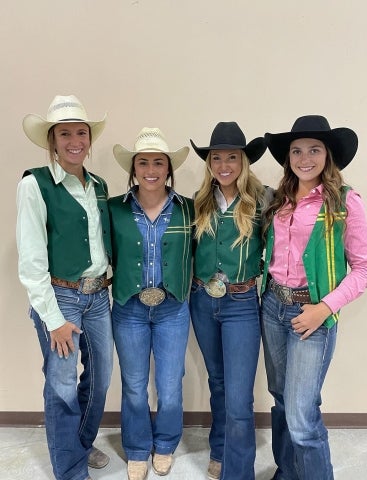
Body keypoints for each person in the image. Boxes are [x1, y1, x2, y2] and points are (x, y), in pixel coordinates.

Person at [261, 115, 367, 480]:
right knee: (281, 401)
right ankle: (288, 472)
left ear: (328, 156)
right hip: (273, 307)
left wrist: (324, 308)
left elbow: (365, 268)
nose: (304, 157)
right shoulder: (279, 200)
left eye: (314, 149)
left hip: (312, 316)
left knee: (301, 415)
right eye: (296, 150)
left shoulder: (344, 201)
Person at [16, 94, 113, 480]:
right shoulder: (34, 184)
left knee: (101, 377)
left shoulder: (99, 185)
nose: (75, 141)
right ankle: (70, 469)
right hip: (60, 297)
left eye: (81, 133)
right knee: (61, 386)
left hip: (98, 296)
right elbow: (32, 260)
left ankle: (80, 444)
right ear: (52, 141)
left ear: (89, 138)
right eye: (65, 133)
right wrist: (52, 317)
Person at [109, 128, 194, 480]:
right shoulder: (113, 208)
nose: (151, 169)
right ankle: (138, 449)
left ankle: (165, 444)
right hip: (129, 308)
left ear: (169, 168)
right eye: (143, 161)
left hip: (173, 308)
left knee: (171, 384)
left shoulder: (188, 209)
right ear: (133, 168)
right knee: (133, 384)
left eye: (159, 161)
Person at [189, 122, 267, 480]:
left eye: (231, 157)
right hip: (203, 301)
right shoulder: (199, 202)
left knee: (239, 397)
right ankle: (219, 448)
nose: (223, 164)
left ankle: (239, 473)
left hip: (241, 303)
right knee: (217, 382)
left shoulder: (262, 199)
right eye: (216, 158)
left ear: (243, 161)